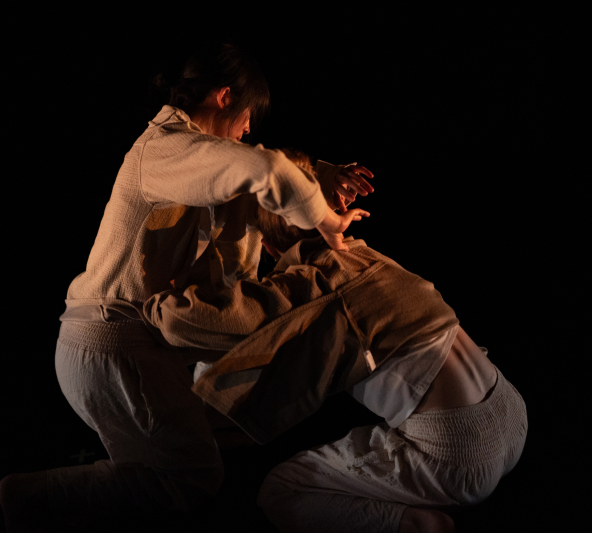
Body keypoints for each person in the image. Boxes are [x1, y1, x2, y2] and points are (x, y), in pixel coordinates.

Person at [0, 43, 374, 532]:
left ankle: (41, 503)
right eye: (247, 117)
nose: (248, 130)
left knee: (175, 465)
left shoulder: (187, 158)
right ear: (223, 97)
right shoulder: (163, 147)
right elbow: (262, 169)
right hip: (113, 346)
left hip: (118, 348)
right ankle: (30, 496)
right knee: (194, 477)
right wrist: (327, 221)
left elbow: (250, 171)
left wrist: (322, 175)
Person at [142, 150, 528, 533]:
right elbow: (280, 171)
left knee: (284, 490)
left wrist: (150, 299)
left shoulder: (313, 285)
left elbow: (185, 321)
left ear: (270, 247)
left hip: (458, 451)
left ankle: (416, 524)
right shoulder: (369, 258)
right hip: (510, 412)